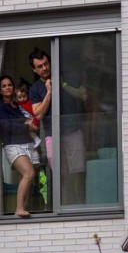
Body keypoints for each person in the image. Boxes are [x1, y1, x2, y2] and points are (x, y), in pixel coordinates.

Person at [29, 47, 87, 205]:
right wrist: (49, 92)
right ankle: (63, 208)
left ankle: (81, 207)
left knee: (79, 172)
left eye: (46, 64)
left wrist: (63, 85)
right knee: (60, 175)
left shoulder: (66, 77)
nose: (44, 68)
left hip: (73, 129)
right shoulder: (35, 89)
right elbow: (39, 114)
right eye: (39, 66)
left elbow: (84, 96)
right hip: (51, 134)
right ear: (34, 69)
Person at [0, 76, 39, 217]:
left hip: (27, 143)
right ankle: (19, 208)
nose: (8, 87)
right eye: (4, 86)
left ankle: (24, 208)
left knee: (26, 177)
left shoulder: (17, 106)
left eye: (10, 85)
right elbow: (5, 126)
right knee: (29, 173)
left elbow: (27, 121)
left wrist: (30, 125)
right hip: (12, 144)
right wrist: (25, 125)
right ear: (0, 90)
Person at [15, 83, 42, 149]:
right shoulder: (17, 104)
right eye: (19, 97)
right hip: (24, 121)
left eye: (24, 96)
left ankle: (36, 140)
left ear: (27, 94)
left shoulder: (30, 103)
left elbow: (35, 114)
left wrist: (35, 122)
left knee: (29, 130)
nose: (22, 99)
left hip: (32, 121)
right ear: (16, 97)